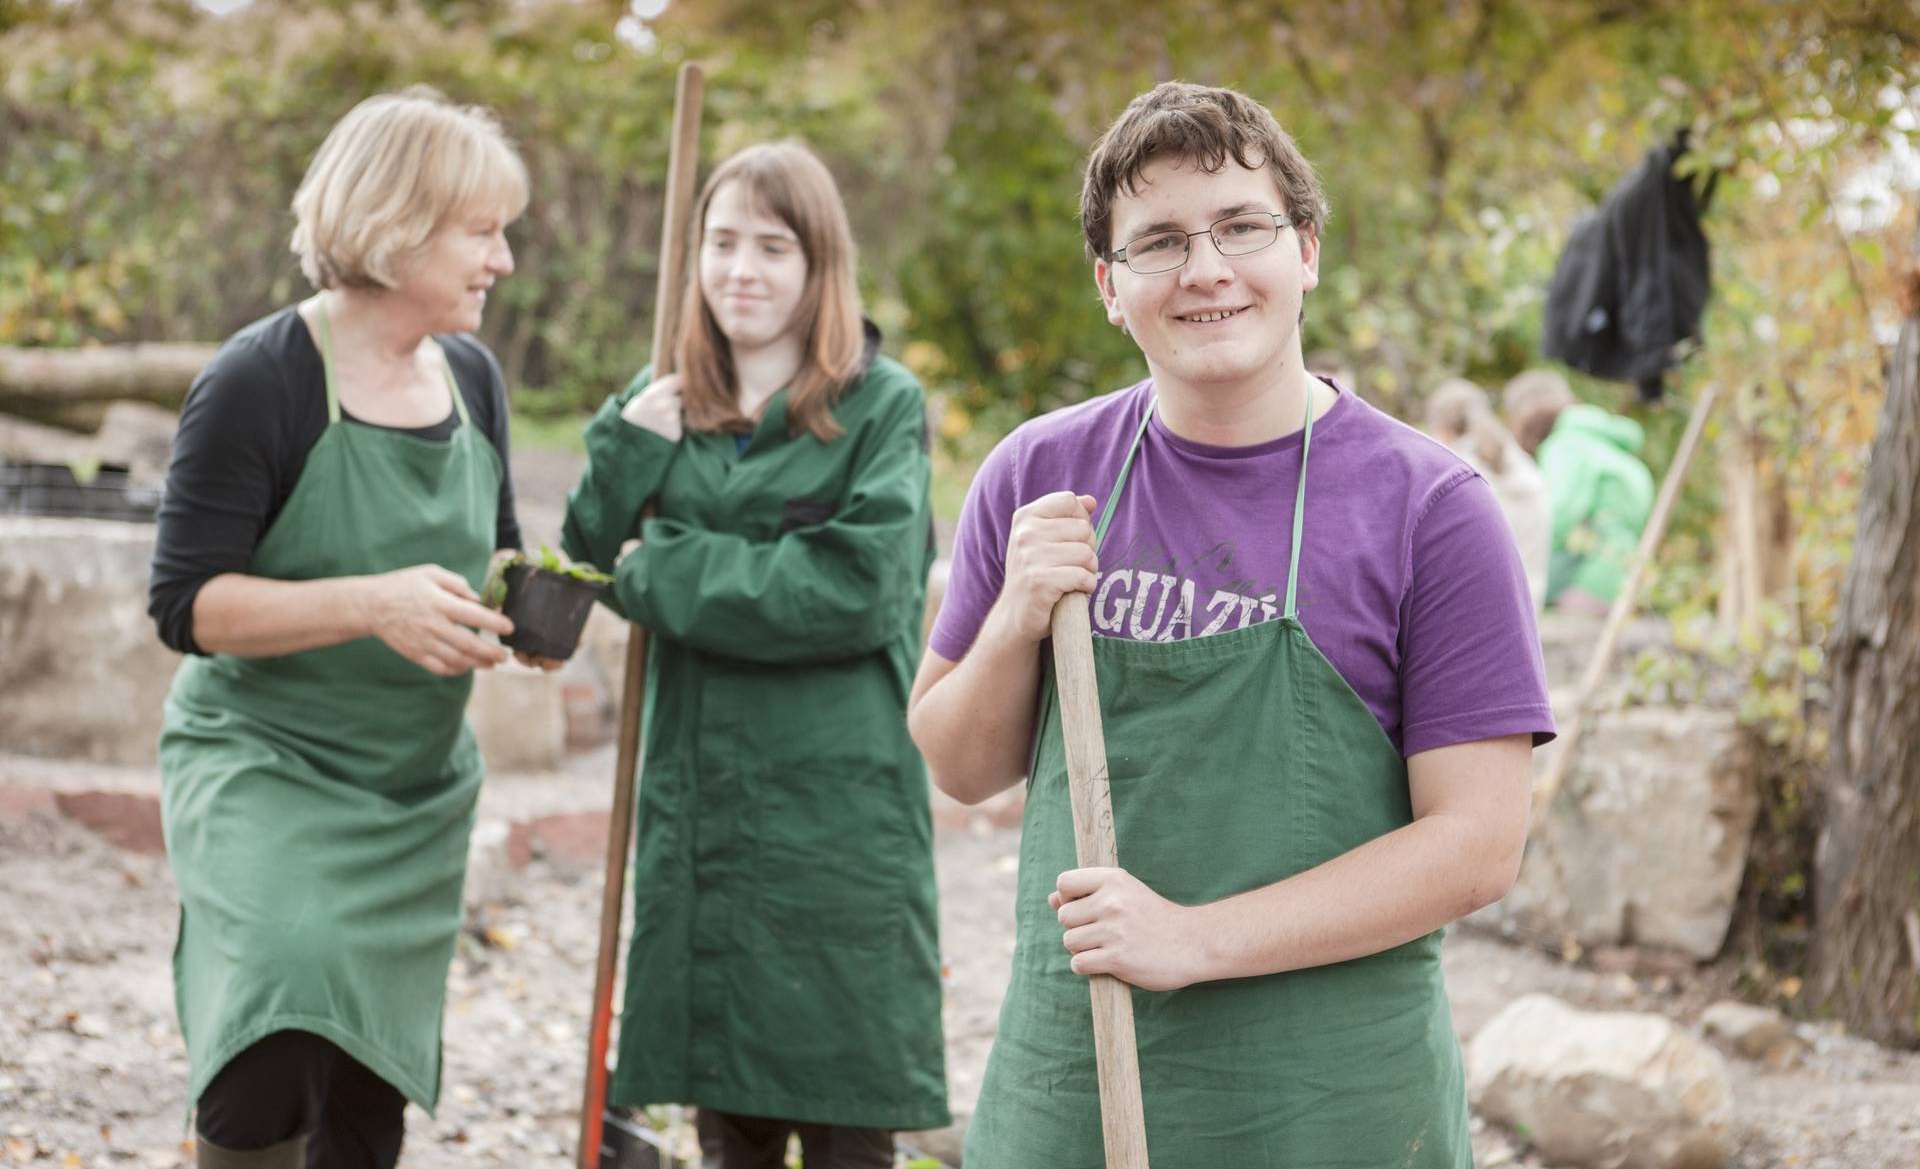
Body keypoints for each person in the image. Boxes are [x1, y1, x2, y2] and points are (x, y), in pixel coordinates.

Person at [910, 82, 1555, 1167]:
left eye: (1240, 226)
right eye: (1159, 241)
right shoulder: (1040, 472)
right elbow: (959, 765)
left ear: (1304, 248)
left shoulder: (1430, 508)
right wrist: (1016, 617)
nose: (1205, 267)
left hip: (1330, 1102)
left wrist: (1191, 937)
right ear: (1112, 287)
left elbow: (1478, 843)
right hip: (1079, 1082)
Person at [148, 88, 538, 1169]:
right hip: (266, 763)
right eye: (482, 230)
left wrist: (532, 613)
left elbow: (495, 551)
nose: (502, 259)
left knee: (369, 1074)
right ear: (397, 225)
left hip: (412, 787)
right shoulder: (258, 379)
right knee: (269, 1030)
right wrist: (373, 600)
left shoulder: (471, 378)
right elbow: (187, 605)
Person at [560, 140, 948, 1168]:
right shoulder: (661, 402)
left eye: (773, 246)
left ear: (820, 264)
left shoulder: (881, 405)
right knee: (728, 1121)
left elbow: (854, 590)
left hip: (837, 813)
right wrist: (627, 447)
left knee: (847, 1110)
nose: (743, 269)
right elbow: (585, 559)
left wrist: (663, 571)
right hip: (704, 806)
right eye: (722, 242)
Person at [1501, 367, 1655, 612]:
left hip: (1589, 580)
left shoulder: (1565, 446)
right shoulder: (1603, 443)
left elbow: (1557, 518)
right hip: (1624, 574)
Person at [1425, 377, 1552, 611]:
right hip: (1530, 605)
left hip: (1481, 609)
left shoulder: (1451, 477)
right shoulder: (1522, 464)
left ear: (1441, 429)